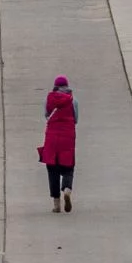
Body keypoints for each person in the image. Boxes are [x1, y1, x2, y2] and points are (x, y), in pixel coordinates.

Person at [40, 75, 77, 210]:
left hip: (52, 138)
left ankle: (56, 204)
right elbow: (76, 119)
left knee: (52, 169)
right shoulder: (73, 101)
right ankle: (67, 189)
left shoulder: (49, 99)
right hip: (67, 138)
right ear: (67, 86)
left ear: (55, 86)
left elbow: (46, 115)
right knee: (69, 166)